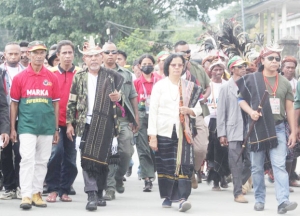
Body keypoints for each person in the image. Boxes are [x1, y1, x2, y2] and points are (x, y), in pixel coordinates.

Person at [237, 45, 298, 214]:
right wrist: (251, 112)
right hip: (257, 128)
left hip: (278, 128)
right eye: (270, 58)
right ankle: (259, 199)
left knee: (279, 165)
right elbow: (240, 99)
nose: (274, 61)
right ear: (262, 60)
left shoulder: (284, 81)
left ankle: (283, 201)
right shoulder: (252, 79)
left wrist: (293, 132)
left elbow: (290, 109)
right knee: (256, 167)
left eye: (277, 59)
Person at [66, 37, 124, 211]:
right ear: (84, 59)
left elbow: (118, 98)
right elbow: (72, 102)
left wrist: (118, 97)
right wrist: (70, 123)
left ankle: (99, 192)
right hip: (85, 122)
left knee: (103, 161)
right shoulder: (79, 77)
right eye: (89, 56)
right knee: (87, 159)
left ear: (101, 57)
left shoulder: (112, 76)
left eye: (96, 55)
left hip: (106, 122)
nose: (93, 59)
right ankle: (91, 194)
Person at [148, 53, 202, 212]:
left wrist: (189, 110)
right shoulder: (159, 86)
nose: (177, 68)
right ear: (167, 67)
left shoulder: (189, 86)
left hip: (183, 131)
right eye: (174, 65)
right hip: (163, 130)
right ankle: (167, 196)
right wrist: (152, 136)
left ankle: (182, 198)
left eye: (180, 65)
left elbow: (198, 108)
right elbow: (153, 111)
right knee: (166, 164)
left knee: (184, 164)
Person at [10, 41, 60, 210]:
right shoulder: (20, 78)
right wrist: (12, 129)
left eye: (42, 53)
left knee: (42, 160)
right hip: (26, 126)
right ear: (29, 55)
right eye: (35, 53)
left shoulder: (52, 77)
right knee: (27, 159)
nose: (39, 56)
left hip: (46, 127)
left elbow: (56, 104)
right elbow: (14, 104)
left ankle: (37, 193)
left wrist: (55, 128)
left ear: (45, 54)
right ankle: (25, 194)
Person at [101, 42, 139, 201]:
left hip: (123, 119)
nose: (110, 55)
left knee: (126, 151)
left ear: (118, 54)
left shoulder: (126, 74)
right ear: (102, 54)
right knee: (109, 155)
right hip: (104, 119)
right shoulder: (97, 72)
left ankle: (118, 176)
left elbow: (133, 96)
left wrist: (136, 117)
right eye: (107, 52)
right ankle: (109, 187)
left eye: (113, 52)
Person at [45, 40, 80, 203]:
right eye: (64, 53)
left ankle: (65, 189)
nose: (67, 56)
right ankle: (52, 188)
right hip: (55, 123)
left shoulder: (80, 73)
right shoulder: (50, 73)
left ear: (74, 54)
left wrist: (72, 122)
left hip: (73, 122)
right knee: (55, 154)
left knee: (70, 158)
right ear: (57, 55)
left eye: (70, 53)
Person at [175, 41, 211, 185]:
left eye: (188, 52)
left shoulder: (197, 69)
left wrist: (204, 97)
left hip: (197, 111)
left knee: (201, 147)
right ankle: (182, 177)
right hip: (176, 113)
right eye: (183, 52)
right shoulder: (170, 69)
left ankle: (193, 170)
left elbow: (208, 87)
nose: (186, 55)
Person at [217, 56, 250, 203]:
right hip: (233, 129)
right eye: (240, 66)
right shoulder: (225, 87)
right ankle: (238, 192)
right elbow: (221, 112)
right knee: (235, 162)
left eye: (244, 66)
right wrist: (222, 133)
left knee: (252, 161)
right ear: (232, 69)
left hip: (249, 128)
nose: (243, 68)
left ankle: (238, 180)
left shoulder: (249, 84)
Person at [0, 42, 25, 200]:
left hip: (22, 116)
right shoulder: (1, 72)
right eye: (11, 54)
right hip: (4, 116)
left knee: (22, 153)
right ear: (5, 55)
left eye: (16, 54)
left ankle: (20, 185)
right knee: (5, 153)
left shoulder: (26, 72)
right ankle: (9, 186)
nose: (14, 56)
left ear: (21, 55)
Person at [134, 54, 161, 192]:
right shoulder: (136, 83)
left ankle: (155, 170)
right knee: (143, 148)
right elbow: (133, 101)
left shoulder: (160, 81)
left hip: (158, 117)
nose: (147, 66)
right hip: (142, 117)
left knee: (156, 148)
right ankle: (147, 178)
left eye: (149, 63)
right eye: (144, 64)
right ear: (139, 66)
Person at [205, 59, 230, 190]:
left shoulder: (227, 85)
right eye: (215, 70)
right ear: (211, 71)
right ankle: (214, 179)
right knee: (211, 151)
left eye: (220, 70)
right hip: (209, 121)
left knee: (223, 149)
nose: (218, 72)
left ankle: (223, 176)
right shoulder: (207, 85)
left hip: (223, 121)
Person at [281, 56, 300, 188]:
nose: (290, 70)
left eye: (292, 68)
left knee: (293, 151)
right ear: (282, 68)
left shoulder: (296, 82)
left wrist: (296, 125)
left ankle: (290, 176)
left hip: (292, 120)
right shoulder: (278, 82)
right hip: (280, 120)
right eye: (287, 67)